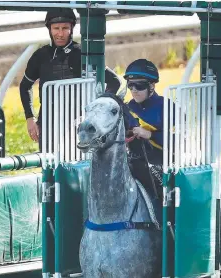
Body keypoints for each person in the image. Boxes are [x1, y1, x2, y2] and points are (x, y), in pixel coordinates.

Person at [19, 9, 121, 151]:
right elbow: (24, 86)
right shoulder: (40, 56)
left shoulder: (82, 53)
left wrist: (97, 111)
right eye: (56, 28)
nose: (60, 34)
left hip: (77, 124)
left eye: (65, 28)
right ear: (49, 29)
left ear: (72, 28)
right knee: (49, 169)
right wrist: (30, 118)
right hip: (48, 124)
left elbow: (115, 81)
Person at [123, 59, 165, 200]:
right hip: (132, 161)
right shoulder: (128, 108)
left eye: (139, 85)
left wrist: (149, 134)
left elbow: (179, 142)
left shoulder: (167, 107)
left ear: (152, 86)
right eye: (130, 85)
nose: (134, 90)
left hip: (161, 163)